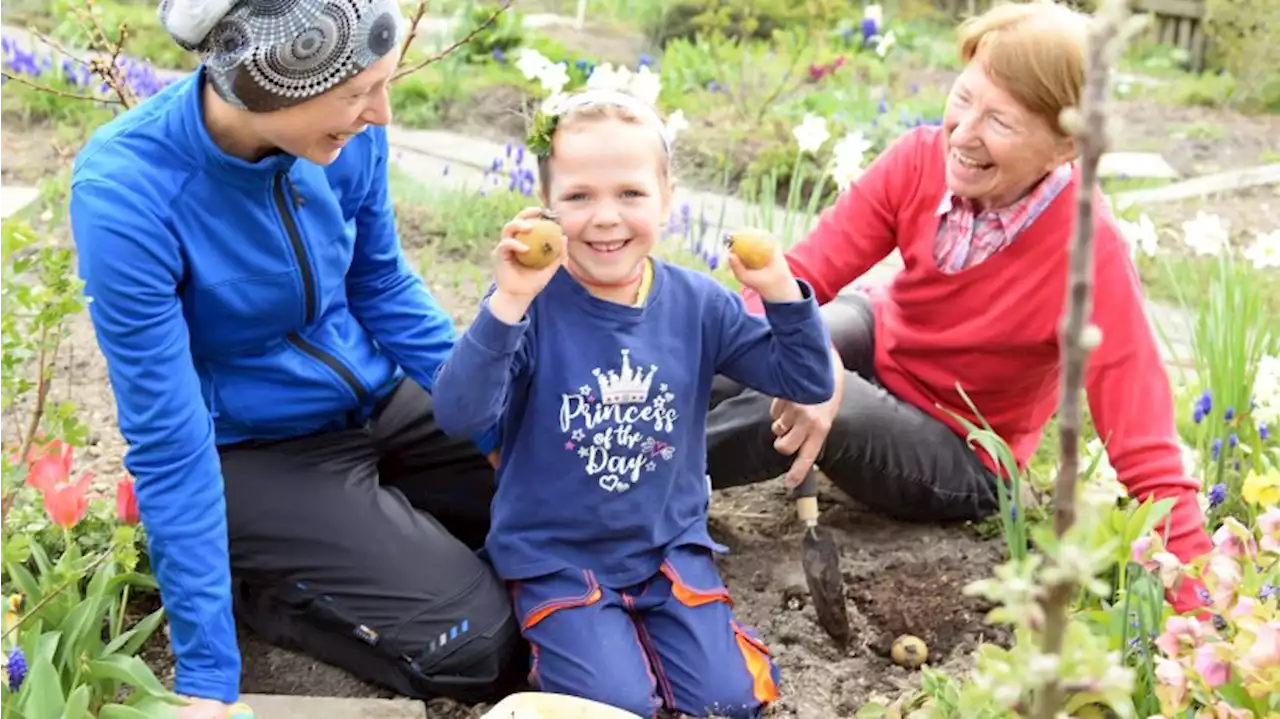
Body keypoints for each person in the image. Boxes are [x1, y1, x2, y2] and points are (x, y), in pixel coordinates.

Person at [68, 1, 526, 716]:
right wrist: (208, 678)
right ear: (264, 86)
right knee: (476, 646)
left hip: (379, 398)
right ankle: (263, 582)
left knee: (568, 468)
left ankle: (381, 529)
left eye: (385, 85)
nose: (379, 116)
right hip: (261, 452)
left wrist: (496, 422)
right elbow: (168, 439)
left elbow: (380, 282)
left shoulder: (343, 140)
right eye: (355, 95)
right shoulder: (127, 192)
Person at [702, 0, 1213, 615]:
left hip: (960, 448)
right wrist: (706, 343)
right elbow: (798, 279)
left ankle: (636, 482)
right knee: (756, 346)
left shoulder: (1088, 247)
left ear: (1065, 145)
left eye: (1000, 120)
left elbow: (1144, 443)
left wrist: (1203, 607)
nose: (964, 132)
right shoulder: (918, 158)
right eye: (964, 97)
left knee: (807, 397)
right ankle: (590, 433)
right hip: (886, 340)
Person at [429, 88, 836, 718]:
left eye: (630, 193)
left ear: (668, 199)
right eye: (579, 197)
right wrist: (506, 302)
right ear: (546, 208)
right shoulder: (531, 306)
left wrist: (781, 292)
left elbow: (804, 379)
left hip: (668, 549)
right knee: (616, 705)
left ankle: (692, 649)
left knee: (728, 703)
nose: (606, 217)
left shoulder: (698, 304)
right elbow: (461, 414)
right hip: (556, 556)